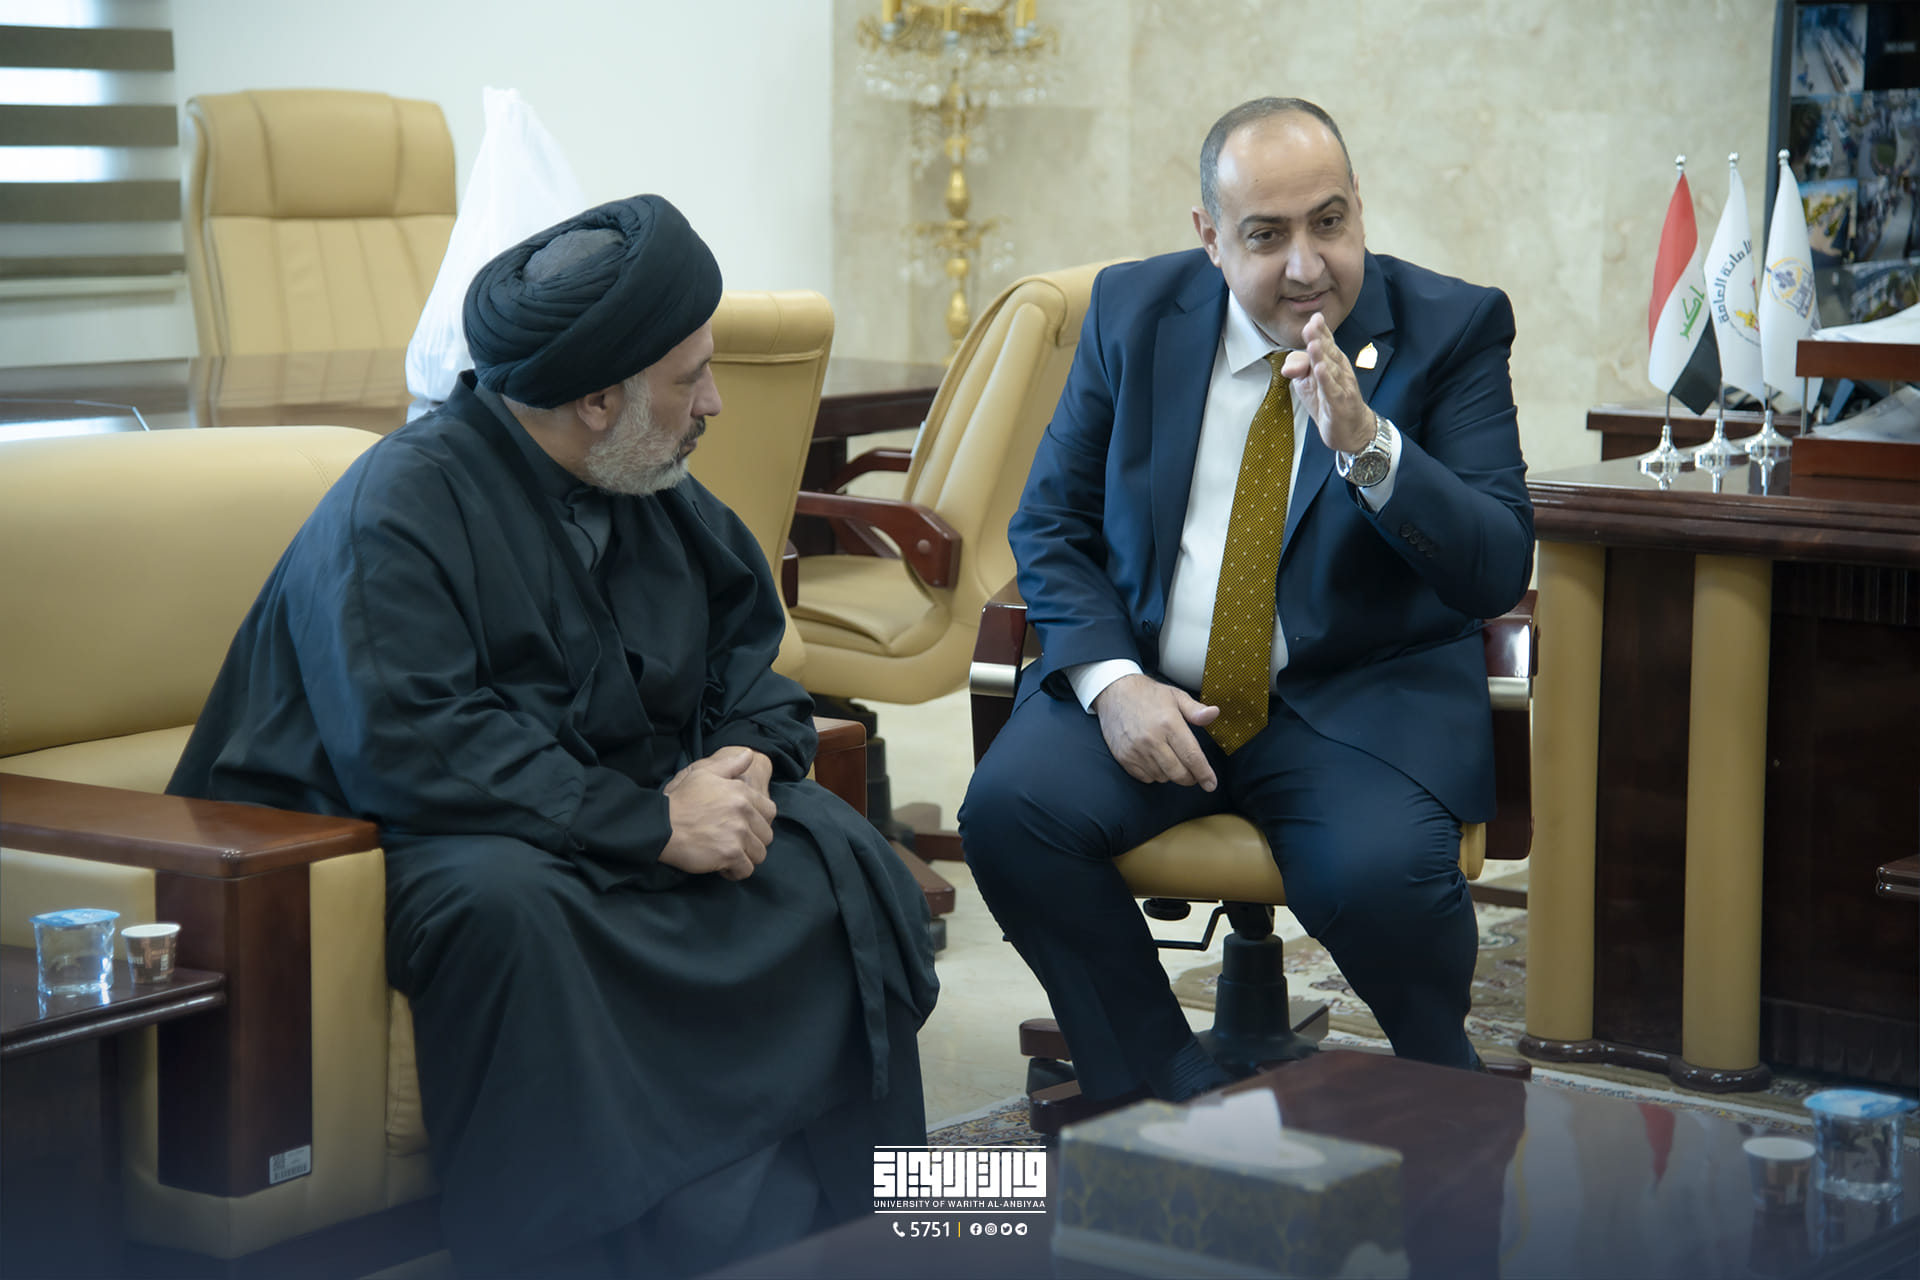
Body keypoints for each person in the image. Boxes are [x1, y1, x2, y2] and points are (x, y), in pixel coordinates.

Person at [169, 194, 939, 1278]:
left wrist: (747, 762)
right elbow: (414, 742)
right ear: (596, 397)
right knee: (511, 907)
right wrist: (653, 823)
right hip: (396, 833)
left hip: (596, 806)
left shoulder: (649, 483)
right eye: (690, 378)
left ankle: (851, 1224)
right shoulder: (401, 504)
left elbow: (751, 658)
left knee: (827, 854)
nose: (714, 402)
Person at [959, 98, 1533, 1105]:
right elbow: (1050, 522)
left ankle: (1444, 1096)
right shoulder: (1134, 312)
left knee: (1382, 878)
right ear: (1210, 236)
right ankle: (1163, 1086)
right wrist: (1113, 683)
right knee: (1011, 814)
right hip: (1157, 687)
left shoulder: (1452, 328)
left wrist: (1369, 447)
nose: (1308, 265)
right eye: (1266, 235)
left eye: (1329, 222)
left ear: (1360, 206)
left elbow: (1493, 567)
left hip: (1352, 707)